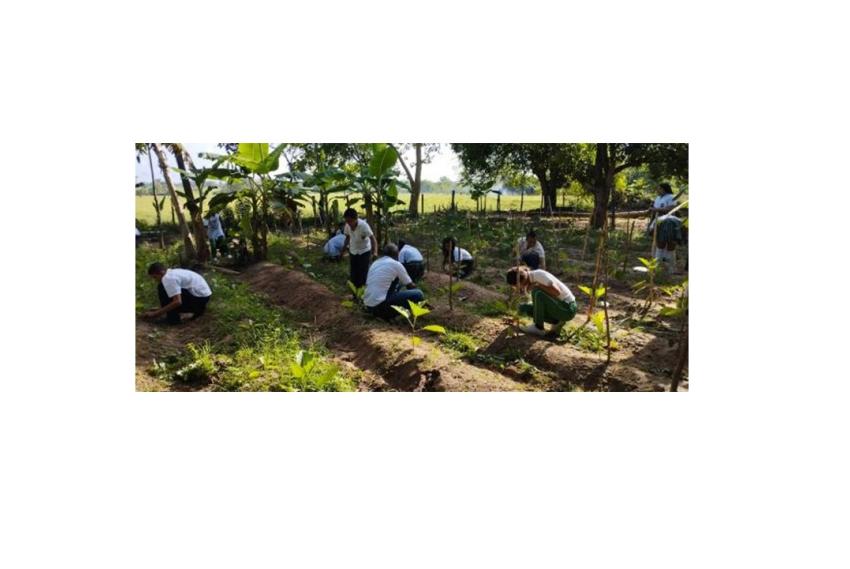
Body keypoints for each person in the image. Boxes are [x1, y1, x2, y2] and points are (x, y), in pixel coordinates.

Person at [507, 266, 577, 337]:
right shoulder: (530, 280)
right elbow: (538, 304)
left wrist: (538, 286)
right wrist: (514, 318)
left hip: (567, 309)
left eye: (517, 286)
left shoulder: (539, 275)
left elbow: (557, 292)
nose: (518, 288)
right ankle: (557, 321)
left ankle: (538, 327)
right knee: (524, 307)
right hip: (558, 307)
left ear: (521, 281)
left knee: (537, 293)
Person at [363, 244, 425, 320]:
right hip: (381, 306)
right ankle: (391, 315)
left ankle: (379, 313)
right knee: (418, 294)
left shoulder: (375, 263)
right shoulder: (396, 264)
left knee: (397, 285)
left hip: (369, 305)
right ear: (397, 255)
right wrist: (422, 300)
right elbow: (410, 286)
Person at [143, 263, 212, 325]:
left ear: (161, 272)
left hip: (199, 299)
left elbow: (177, 302)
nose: (155, 280)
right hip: (203, 298)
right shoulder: (172, 272)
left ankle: (172, 319)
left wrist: (155, 314)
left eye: (155, 277)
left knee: (162, 287)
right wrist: (161, 309)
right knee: (165, 288)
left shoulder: (168, 278)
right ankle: (199, 310)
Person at [342, 208, 378, 289]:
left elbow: (373, 239)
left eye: (350, 221)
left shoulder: (364, 226)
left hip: (364, 251)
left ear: (355, 219)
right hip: (353, 251)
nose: (348, 223)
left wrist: (375, 252)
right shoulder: (347, 225)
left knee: (363, 273)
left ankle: (362, 293)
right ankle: (355, 293)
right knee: (354, 273)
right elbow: (347, 238)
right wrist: (343, 250)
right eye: (347, 221)